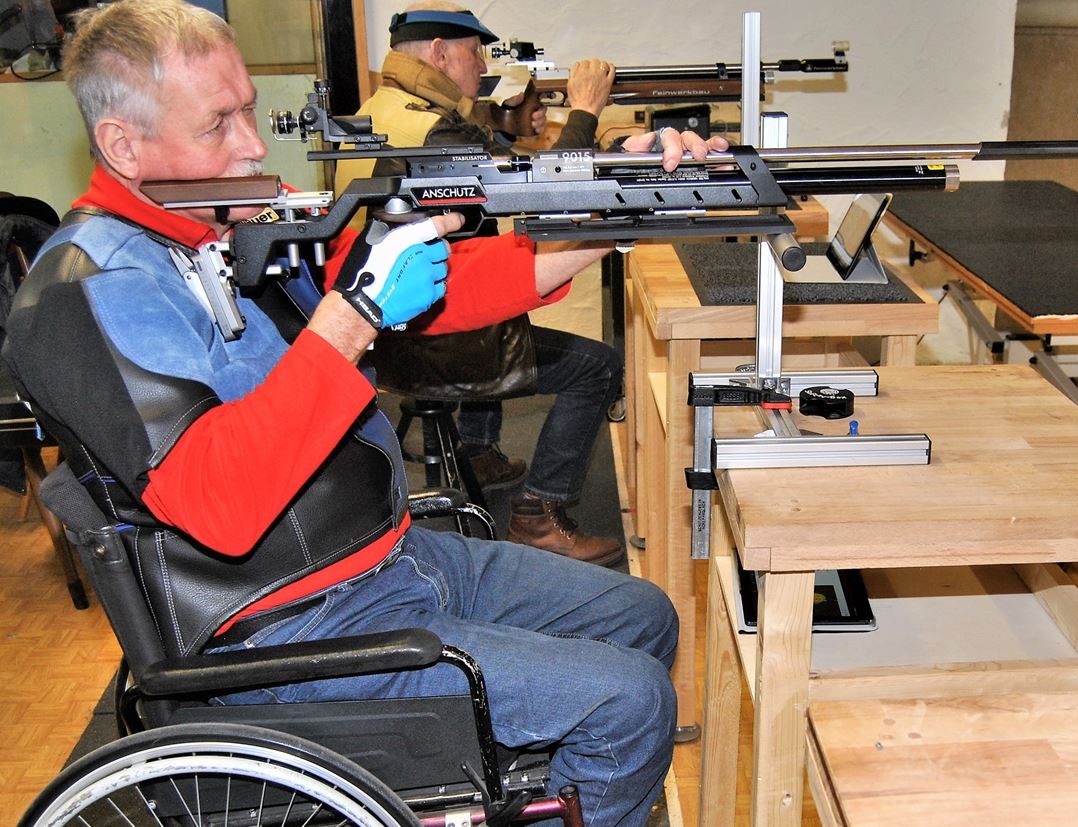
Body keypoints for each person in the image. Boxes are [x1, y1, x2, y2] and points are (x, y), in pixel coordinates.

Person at [2, 1, 726, 825]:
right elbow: (220, 503)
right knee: (626, 701)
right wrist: (351, 317)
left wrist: (614, 211)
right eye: (217, 123)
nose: (250, 143)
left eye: (247, 108)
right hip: (286, 626)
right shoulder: (85, 297)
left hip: (387, 556)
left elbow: (456, 284)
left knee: (641, 611)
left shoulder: (228, 219)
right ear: (123, 145)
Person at [334, 2, 628, 566]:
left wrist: (504, 126)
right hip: (435, 338)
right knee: (598, 365)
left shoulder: (381, 109)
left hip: (380, 322)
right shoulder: (439, 128)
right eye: (476, 52)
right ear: (442, 53)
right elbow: (557, 197)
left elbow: (469, 159)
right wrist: (585, 111)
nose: (482, 64)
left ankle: (479, 449)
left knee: (485, 271)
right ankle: (539, 512)